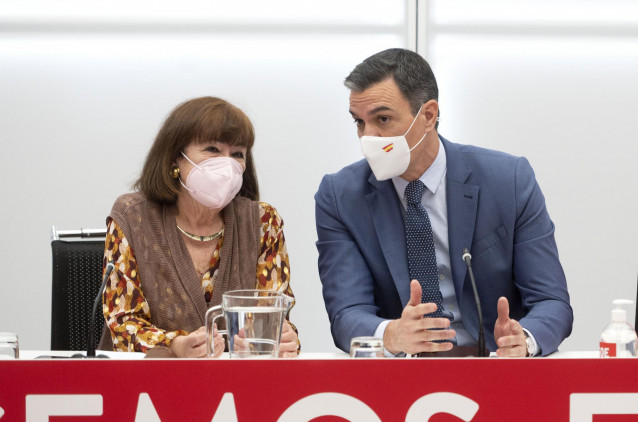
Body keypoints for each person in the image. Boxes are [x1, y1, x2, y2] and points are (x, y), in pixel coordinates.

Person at [315, 48, 572, 357]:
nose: (368, 137)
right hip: (399, 375)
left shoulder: (509, 180)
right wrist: (391, 334)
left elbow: (552, 301)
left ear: (428, 115)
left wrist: (524, 340)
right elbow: (346, 313)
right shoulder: (341, 196)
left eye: (383, 119)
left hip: (493, 366)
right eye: (359, 122)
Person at [99, 96, 299, 358]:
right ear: (175, 159)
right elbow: (122, 323)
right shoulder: (132, 216)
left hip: (235, 385)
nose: (227, 164)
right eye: (213, 150)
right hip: (144, 384)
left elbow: (273, 315)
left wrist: (284, 338)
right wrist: (174, 345)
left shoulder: (264, 222)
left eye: (237, 154)